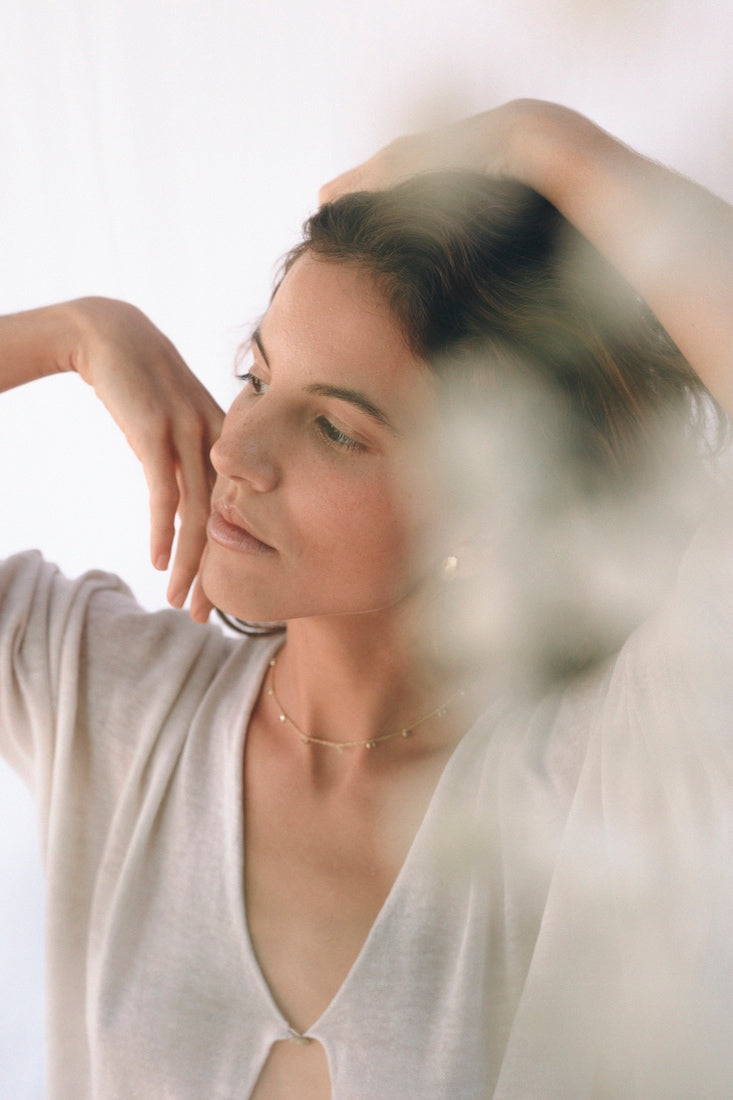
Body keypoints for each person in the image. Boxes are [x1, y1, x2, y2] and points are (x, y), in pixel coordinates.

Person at [2, 99, 733, 1099]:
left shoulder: (594, 772)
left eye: (335, 430)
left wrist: (543, 143)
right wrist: (74, 335)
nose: (235, 450)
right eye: (253, 377)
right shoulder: (106, 698)